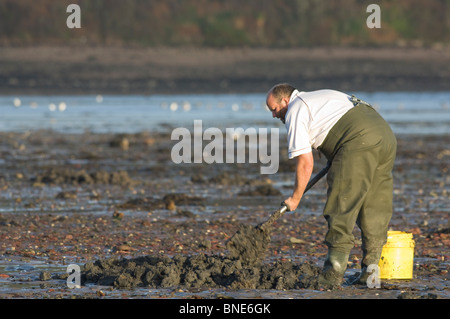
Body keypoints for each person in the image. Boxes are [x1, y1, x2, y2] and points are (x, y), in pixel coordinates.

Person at [266, 83, 397, 288]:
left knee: (340, 206)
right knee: (374, 208)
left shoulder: (295, 109)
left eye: (274, 109)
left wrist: (295, 198)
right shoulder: (318, 97)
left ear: (285, 100)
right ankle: (371, 276)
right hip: (385, 135)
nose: (274, 115)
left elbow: (305, 162)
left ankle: (332, 274)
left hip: (357, 140)